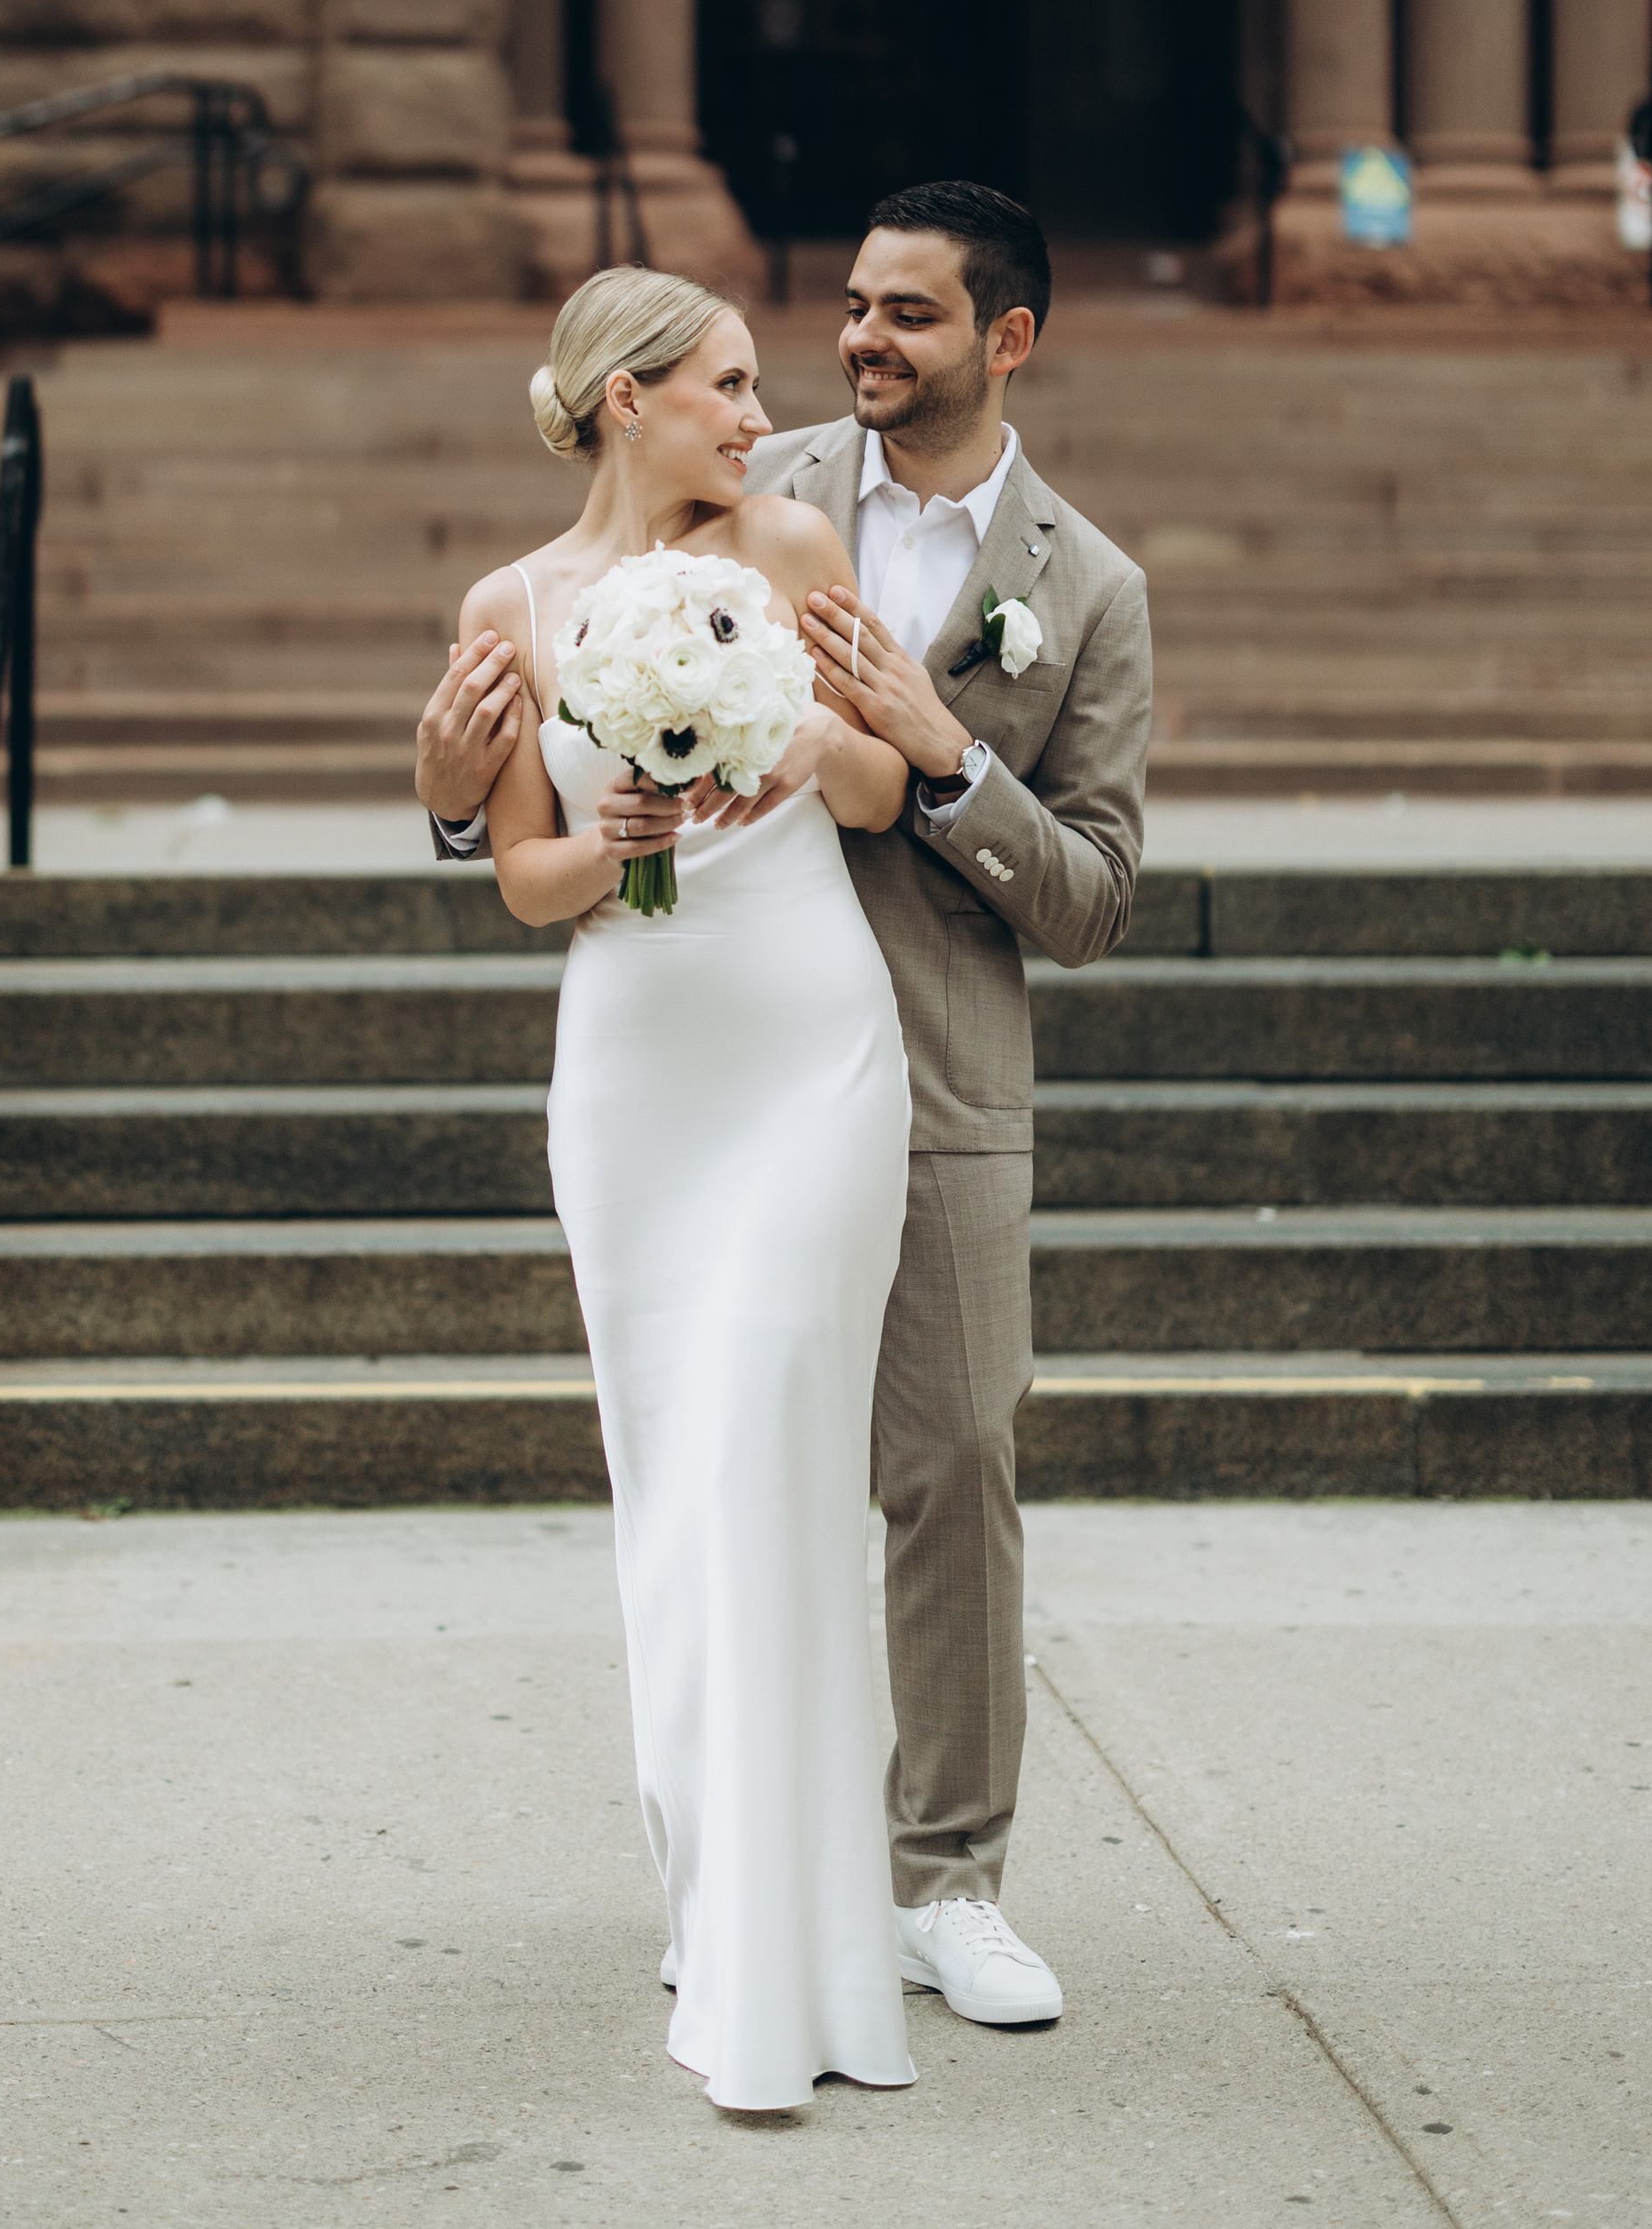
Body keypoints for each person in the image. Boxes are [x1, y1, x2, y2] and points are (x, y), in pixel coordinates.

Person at [421, 183, 1152, 2041]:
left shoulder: (1085, 585)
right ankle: (758, 1867)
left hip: (923, 1064)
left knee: (951, 1466)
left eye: (903, 315)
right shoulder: (752, 485)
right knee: (727, 1456)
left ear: (1005, 339)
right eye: (844, 309)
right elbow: (518, 797)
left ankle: (947, 1883)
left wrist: (934, 752)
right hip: (699, 1039)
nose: (849, 346)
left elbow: (1089, 896)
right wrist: (464, 804)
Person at [449, 265, 919, 2113]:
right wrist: (614, 841)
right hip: (638, 1072)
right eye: (724, 384)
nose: (759, 411)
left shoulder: (796, 543)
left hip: (810, 1047)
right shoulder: (510, 609)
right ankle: (716, 1896)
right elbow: (523, 884)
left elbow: (887, 791)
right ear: (623, 399)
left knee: (771, 1461)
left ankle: (793, 1958)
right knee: (671, 1487)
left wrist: (808, 741)